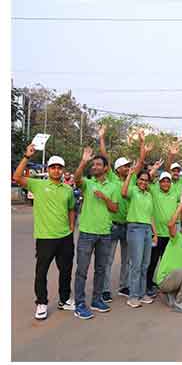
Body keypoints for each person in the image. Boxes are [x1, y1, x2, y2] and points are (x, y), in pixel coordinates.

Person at [13, 144, 76, 320]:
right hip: (45, 238)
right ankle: (41, 303)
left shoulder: (68, 190)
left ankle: (64, 300)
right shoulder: (38, 185)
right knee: (41, 272)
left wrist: (71, 226)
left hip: (65, 237)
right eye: (53, 167)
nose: (56, 170)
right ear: (48, 169)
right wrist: (27, 157)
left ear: (63, 170)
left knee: (66, 271)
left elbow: (71, 209)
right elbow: (16, 177)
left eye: (59, 168)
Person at [98, 125, 148, 300]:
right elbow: (105, 157)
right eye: (125, 166)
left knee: (127, 258)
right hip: (112, 224)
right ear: (118, 169)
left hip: (127, 225)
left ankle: (124, 285)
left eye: (128, 166)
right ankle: (104, 289)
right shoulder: (111, 177)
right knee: (108, 259)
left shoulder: (132, 178)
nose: (128, 168)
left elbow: (141, 161)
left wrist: (142, 142)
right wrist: (102, 138)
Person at [72, 147, 119, 319]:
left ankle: (97, 300)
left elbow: (115, 208)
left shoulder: (112, 186)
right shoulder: (88, 183)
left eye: (99, 164)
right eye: (94, 164)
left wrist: (105, 198)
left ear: (106, 168)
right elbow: (76, 179)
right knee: (82, 270)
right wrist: (83, 161)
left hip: (105, 234)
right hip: (86, 233)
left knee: (101, 269)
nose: (95, 166)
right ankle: (79, 304)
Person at [121, 161, 156, 309]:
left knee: (145, 263)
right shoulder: (133, 190)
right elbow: (123, 193)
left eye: (146, 180)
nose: (143, 182)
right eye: (141, 179)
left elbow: (151, 215)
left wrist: (155, 233)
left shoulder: (148, 195)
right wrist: (129, 175)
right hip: (135, 228)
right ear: (137, 180)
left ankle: (142, 294)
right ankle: (133, 296)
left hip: (147, 229)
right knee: (136, 264)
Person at [146, 170, 181, 298]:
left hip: (170, 235)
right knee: (153, 261)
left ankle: (165, 284)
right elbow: (147, 178)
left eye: (168, 181)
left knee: (166, 262)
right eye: (163, 181)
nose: (166, 183)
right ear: (159, 183)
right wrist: (154, 169)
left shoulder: (175, 193)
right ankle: (148, 285)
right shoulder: (154, 191)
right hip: (157, 234)